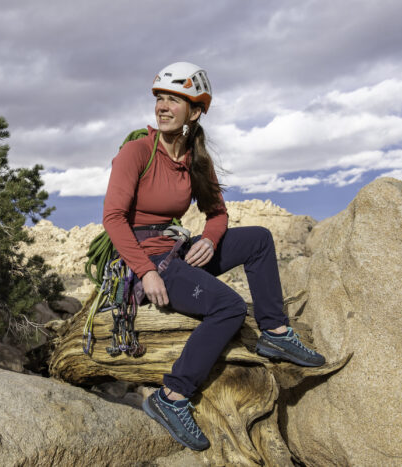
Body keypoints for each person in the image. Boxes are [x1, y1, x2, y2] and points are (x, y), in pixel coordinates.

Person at [102, 62, 325, 451]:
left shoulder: (194, 160)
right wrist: (146, 274)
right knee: (229, 307)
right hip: (148, 258)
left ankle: (274, 334)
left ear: (196, 110)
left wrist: (208, 238)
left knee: (258, 238)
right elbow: (113, 218)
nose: (163, 106)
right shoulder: (136, 153)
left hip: (178, 250)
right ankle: (172, 397)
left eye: (174, 99)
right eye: (160, 98)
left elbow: (218, 213)